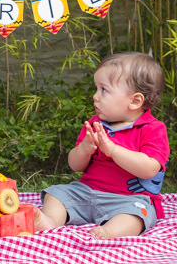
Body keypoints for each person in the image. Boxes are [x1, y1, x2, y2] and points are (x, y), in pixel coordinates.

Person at [35, 52, 170, 239]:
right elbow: (75, 166)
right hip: (86, 193)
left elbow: (149, 169)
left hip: (127, 200)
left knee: (139, 213)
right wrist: (84, 149)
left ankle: (108, 232)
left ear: (135, 100)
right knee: (57, 193)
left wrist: (113, 150)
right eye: (96, 89)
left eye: (103, 90)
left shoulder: (152, 129)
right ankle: (49, 221)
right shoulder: (96, 124)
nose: (95, 97)